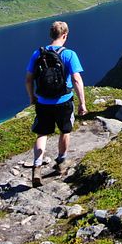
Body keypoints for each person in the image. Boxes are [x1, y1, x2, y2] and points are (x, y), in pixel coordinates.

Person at [25, 20, 87, 187]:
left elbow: (29, 79)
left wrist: (32, 97)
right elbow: (76, 79)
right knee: (65, 131)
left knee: (42, 134)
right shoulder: (69, 54)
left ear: (50, 35)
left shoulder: (37, 54)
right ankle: (61, 162)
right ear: (65, 35)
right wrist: (82, 103)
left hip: (43, 102)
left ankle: (37, 166)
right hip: (64, 101)